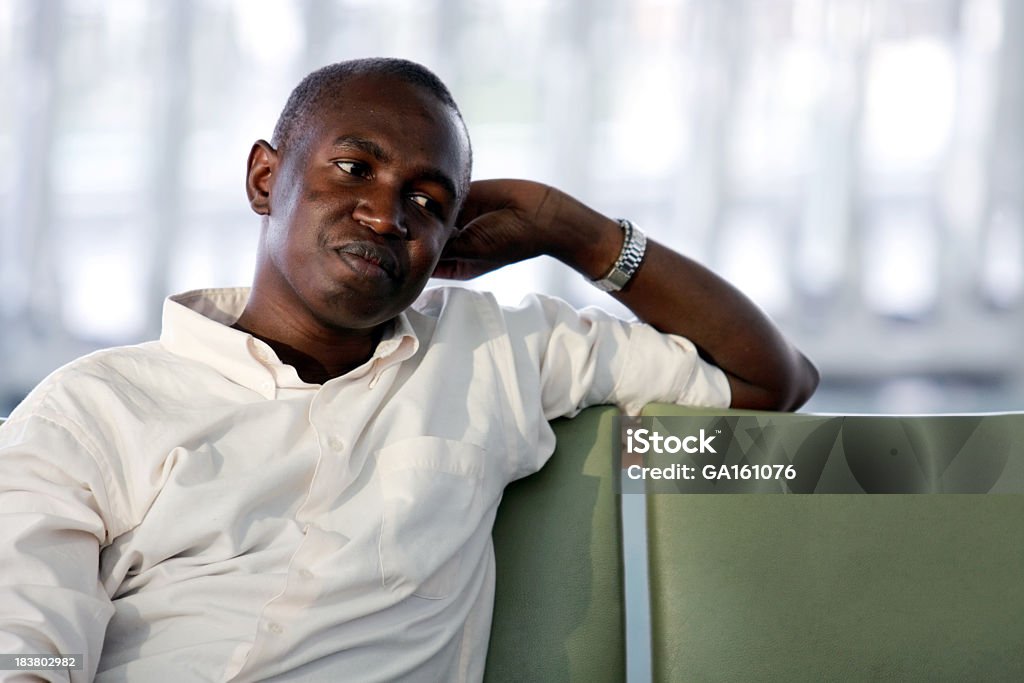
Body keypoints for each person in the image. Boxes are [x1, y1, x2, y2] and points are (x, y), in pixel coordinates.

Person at [0, 58, 818, 682]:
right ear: (264, 177)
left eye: (429, 199)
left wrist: (573, 231)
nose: (387, 214)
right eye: (353, 169)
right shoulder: (96, 407)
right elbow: (26, 650)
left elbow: (769, 379)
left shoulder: (499, 352)